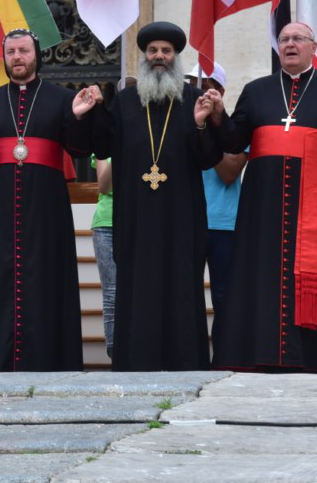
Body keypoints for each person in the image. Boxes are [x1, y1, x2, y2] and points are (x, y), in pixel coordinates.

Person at [211, 22, 317, 373]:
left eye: (298, 39)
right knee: (260, 275)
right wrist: (218, 115)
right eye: (284, 40)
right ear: (278, 48)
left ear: (313, 46)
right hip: (263, 208)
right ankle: (257, 357)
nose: (290, 45)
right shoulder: (256, 90)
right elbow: (233, 140)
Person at [0, 28, 102, 372]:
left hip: (47, 208)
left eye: (23, 50)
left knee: (47, 280)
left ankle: (49, 361)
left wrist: (82, 116)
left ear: (36, 54)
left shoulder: (61, 98)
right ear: (4, 57)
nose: (17, 58)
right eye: (11, 52)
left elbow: (81, 149)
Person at [92, 21, 224, 371]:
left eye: (166, 51)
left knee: (182, 285)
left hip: (182, 217)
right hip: (135, 217)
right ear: (144, 56)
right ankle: (136, 362)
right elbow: (102, 144)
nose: (159, 56)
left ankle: (185, 362)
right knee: (137, 288)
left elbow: (209, 158)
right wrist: (90, 112)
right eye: (153, 51)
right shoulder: (123, 102)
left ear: (176, 56)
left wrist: (200, 125)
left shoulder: (194, 99)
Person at [195, 62, 246, 326]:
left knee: (224, 296)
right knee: (186, 296)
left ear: (221, 92)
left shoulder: (235, 129)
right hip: (189, 222)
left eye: (205, 88)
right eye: (193, 86)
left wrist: (208, 132)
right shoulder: (185, 123)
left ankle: (225, 358)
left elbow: (229, 172)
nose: (198, 93)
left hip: (224, 224)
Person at [90, 155, 115, 362]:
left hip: (139, 221)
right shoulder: (103, 147)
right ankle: (114, 351)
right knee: (111, 291)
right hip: (106, 224)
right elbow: (104, 186)